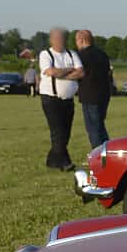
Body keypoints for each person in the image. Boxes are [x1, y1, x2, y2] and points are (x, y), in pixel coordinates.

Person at [37, 29, 81, 169]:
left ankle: (52, 161)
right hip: (51, 99)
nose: (60, 41)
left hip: (68, 100)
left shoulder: (71, 54)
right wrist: (70, 69)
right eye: (57, 39)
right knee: (58, 132)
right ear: (51, 40)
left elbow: (81, 72)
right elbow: (50, 71)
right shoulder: (46, 54)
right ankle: (65, 162)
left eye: (62, 39)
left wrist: (61, 73)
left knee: (66, 132)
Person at [73, 29, 112, 148]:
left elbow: (78, 73)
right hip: (104, 94)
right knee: (100, 125)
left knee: (93, 128)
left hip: (90, 95)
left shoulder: (81, 56)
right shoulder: (102, 54)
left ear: (82, 40)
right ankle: (107, 152)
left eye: (76, 40)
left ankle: (98, 155)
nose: (76, 43)